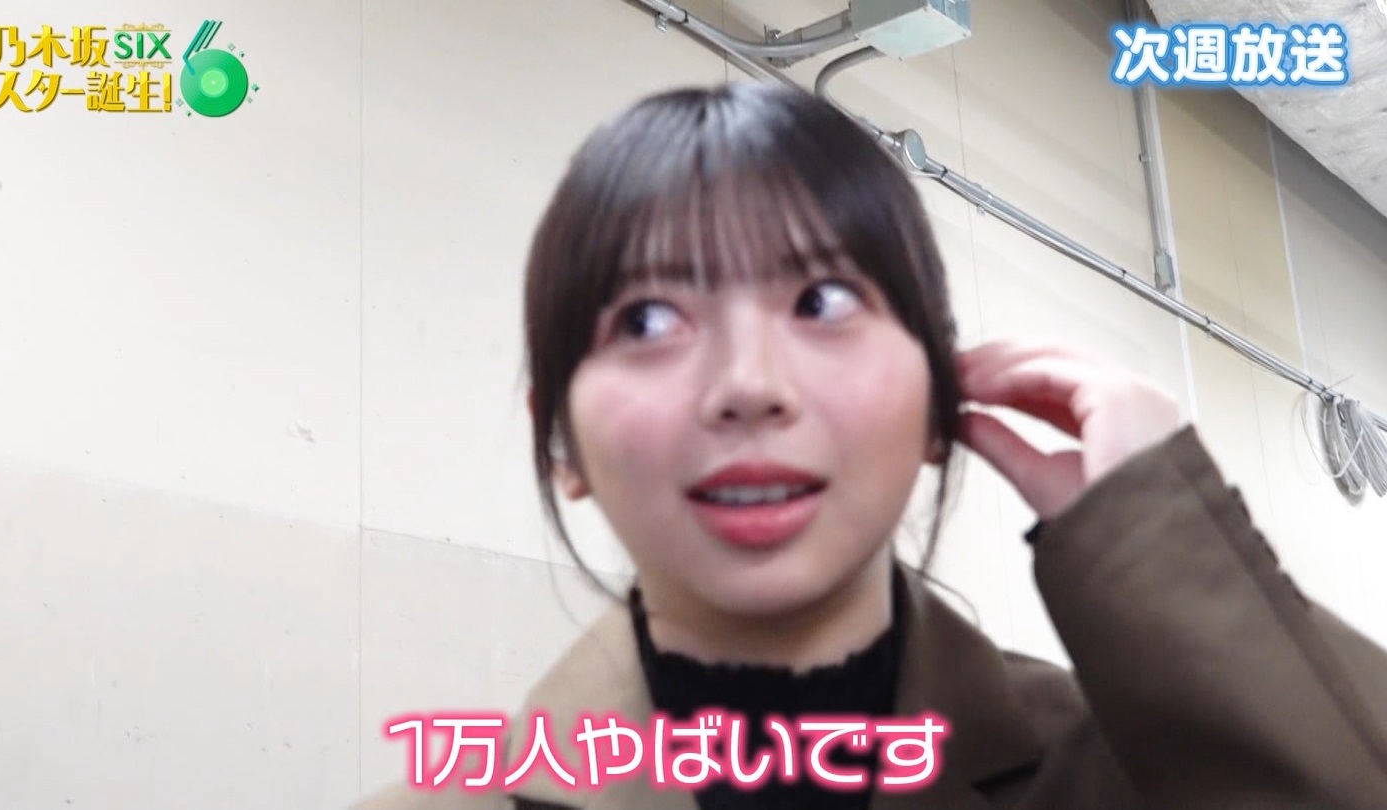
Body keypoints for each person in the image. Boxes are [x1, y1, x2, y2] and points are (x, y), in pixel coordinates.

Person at [355, 81, 1387, 810]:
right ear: (560, 443)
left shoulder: (1146, 775)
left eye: (822, 301)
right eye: (648, 321)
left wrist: (1160, 538)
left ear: (938, 400)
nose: (748, 386)